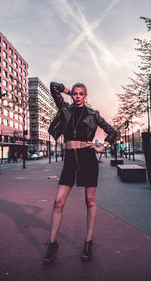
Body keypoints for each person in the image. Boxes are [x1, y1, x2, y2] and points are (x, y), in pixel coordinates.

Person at [43, 82, 117, 264]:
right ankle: (52, 244)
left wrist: (102, 146)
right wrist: (67, 92)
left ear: (86, 95)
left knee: (90, 202)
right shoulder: (65, 109)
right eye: (75, 93)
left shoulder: (93, 114)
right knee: (58, 201)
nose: (77, 96)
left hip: (87, 159)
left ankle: (88, 241)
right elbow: (54, 86)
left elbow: (112, 132)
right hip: (69, 160)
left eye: (81, 94)